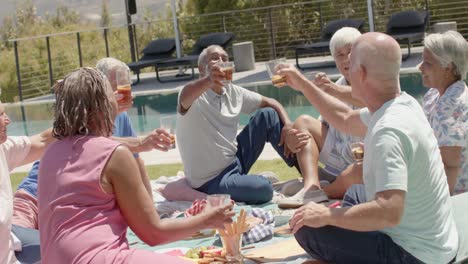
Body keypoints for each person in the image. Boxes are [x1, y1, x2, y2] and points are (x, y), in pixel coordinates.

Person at [278, 32, 458, 263]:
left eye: (350, 63)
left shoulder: (388, 131)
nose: (346, 69)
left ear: (361, 73)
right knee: (350, 201)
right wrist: (302, 84)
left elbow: (388, 211)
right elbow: (343, 117)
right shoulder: (404, 104)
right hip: (437, 244)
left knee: (306, 228)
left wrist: (327, 214)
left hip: (413, 255)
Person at [38, 67, 234, 263]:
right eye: (110, 95)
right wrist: (208, 219)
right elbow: (153, 234)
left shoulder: (50, 155)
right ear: (101, 106)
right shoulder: (114, 154)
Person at [12, 58, 172, 230]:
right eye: (114, 85)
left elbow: (137, 163)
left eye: (125, 83)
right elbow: (88, 141)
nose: (121, 90)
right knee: (12, 240)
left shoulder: (122, 119)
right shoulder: (77, 118)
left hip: (66, 210)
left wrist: (150, 212)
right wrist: (140, 142)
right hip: (33, 197)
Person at [176, 45, 325, 205]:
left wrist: (288, 126)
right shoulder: (191, 94)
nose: (221, 61)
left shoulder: (232, 91)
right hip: (211, 181)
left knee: (268, 115)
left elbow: (271, 103)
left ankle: (311, 179)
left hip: (235, 161)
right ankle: (255, 182)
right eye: (214, 58)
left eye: (225, 58)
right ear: (201, 69)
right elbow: (184, 98)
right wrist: (208, 80)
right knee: (264, 190)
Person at [280, 27, 365, 205]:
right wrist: (294, 137)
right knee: (302, 121)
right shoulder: (336, 85)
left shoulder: (374, 80)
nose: (346, 59)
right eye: (340, 55)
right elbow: (322, 125)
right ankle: (311, 187)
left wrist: (331, 90)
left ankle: (326, 189)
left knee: (360, 172)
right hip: (341, 155)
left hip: (364, 160)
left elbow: (368, 98)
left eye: (350, 52)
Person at [0, 101, 55, 263]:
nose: (8, 120)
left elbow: (43, 140)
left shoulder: (3, 148)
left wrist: (83, 114)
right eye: (1, 115)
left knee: (60, 245)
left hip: (10, 236)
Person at [419, 30, 468, 195]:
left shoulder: (451, 106)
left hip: (457, 197)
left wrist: (435, 211)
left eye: (427, 63)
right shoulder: (436, 94)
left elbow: (449, 167)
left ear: (448, 68)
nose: (420, 67)